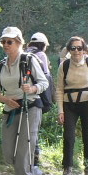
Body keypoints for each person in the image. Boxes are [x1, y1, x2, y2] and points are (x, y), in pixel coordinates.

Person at [0, 27, 49, 175]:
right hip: (10, 109)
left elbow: (44, 83)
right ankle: (36, 174)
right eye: (3, 42)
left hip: (30, 107)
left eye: (9, 42)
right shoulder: (1, 64)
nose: (6, 45)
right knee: (9, 153)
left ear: (19, 42)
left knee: (24, 149)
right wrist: (5, 99)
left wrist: (32, 89)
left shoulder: (29, 60)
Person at [56, 36, 88, 175]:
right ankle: (67, 169)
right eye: (73, 48)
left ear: (84, 49)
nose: (76, 51)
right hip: (69, 104)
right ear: (69, 50)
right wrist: (60, 110)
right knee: (68, 136)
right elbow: (59, 89)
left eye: (79, 48)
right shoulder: (64, 65)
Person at [26, 32, 53, 166]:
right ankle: (35, 156)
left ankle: (26, 155)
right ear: (43, 44)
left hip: (22, 96)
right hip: (36, 95)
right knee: (34, 127)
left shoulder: (24, 54)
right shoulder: (41, 55)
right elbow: (46, 78)